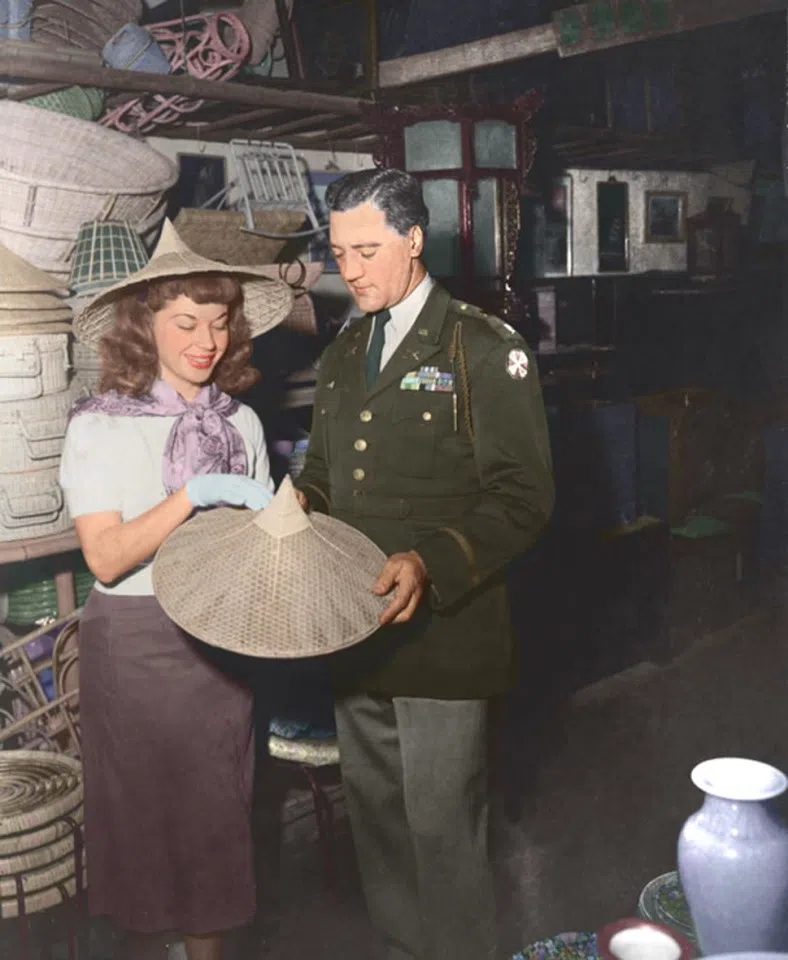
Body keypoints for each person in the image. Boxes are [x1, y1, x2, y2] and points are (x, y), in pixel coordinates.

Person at [294, 168, 555, 960]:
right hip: (357, 629)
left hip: (444, 635)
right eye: (340, 254)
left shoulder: (481, 346)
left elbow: (525, 496)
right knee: (376, 821)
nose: (354, 270)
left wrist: (431, 561)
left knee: (443, 829)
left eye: (369, 250)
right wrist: (298, 503)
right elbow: (328, 475)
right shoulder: (344, 354)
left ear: (415, 239)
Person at [58, 221, 293, 960]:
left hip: (220, 645)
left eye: (220, 323)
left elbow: (256, 551)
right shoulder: (100, 427)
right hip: (133, 649)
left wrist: (291, 525)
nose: (206, 341)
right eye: (185, 322)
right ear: (143, 325)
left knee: (217, 821)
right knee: (144, 830)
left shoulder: (242, 423)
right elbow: (105, 557)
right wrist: (192, 493)